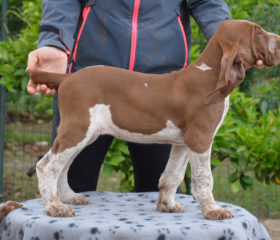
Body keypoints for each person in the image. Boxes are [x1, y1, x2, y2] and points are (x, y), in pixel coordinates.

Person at [27, 0, 264, 193]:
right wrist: (54, 42)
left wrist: (236, 42)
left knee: (157, 198)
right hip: (92, 83)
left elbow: (207, 2)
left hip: (166, 90)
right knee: (73, 186)